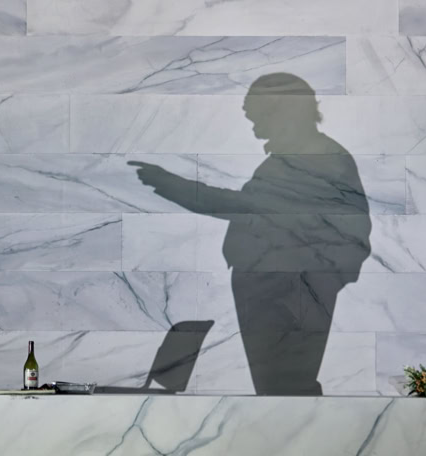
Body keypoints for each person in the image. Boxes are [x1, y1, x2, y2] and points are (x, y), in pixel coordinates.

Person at [129, 73, 371, 395]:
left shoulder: (317, 157)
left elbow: (249, 207)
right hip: (274, 286)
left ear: (282, 111)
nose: (254, 126)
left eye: (257, 115)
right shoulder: (293, 159)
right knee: (277, 389)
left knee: (285, 389)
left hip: (287, 290)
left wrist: (176, 187)